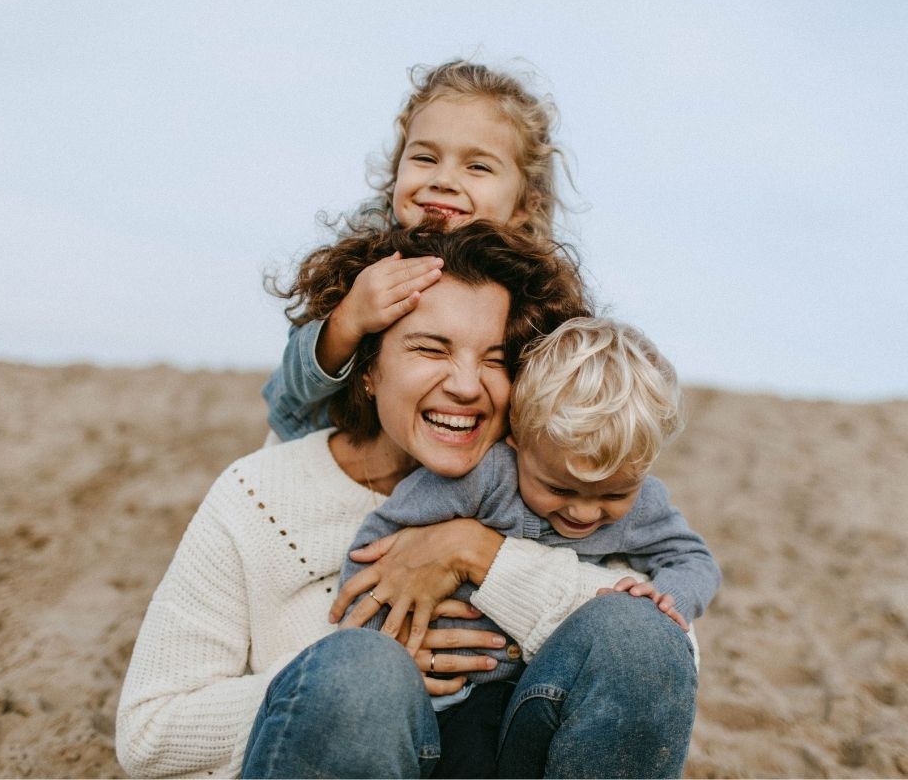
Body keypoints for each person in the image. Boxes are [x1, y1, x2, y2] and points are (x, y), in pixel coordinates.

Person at [115, 223, 700, 779]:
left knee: (638, 635)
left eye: (495, 359)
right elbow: (149, 733)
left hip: (502, 750)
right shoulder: (259, 494)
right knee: (361, 672)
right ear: (368, 368)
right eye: (430, 348)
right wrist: (339, 676)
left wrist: (481, 555)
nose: (467, 385)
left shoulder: (558, 486)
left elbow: (661, 653)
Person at [339, 317, 721, 688]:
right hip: (429, 680)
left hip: (529, 690)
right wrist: (381, 650)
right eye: (559, 489)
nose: (584, 513)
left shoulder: (642, 507)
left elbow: (693, 559)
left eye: (613, 494)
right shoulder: (484, 478)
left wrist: (670, 598)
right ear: (517, 439)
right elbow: (378, 546)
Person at [263, 59, 571, 442]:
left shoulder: (531, 289)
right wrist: (350, 317)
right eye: (425, 158)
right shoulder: (365, 254)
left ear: (526, 204)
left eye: (477, 167)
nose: (443, 180)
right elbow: (288, 392)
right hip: (328, 451)